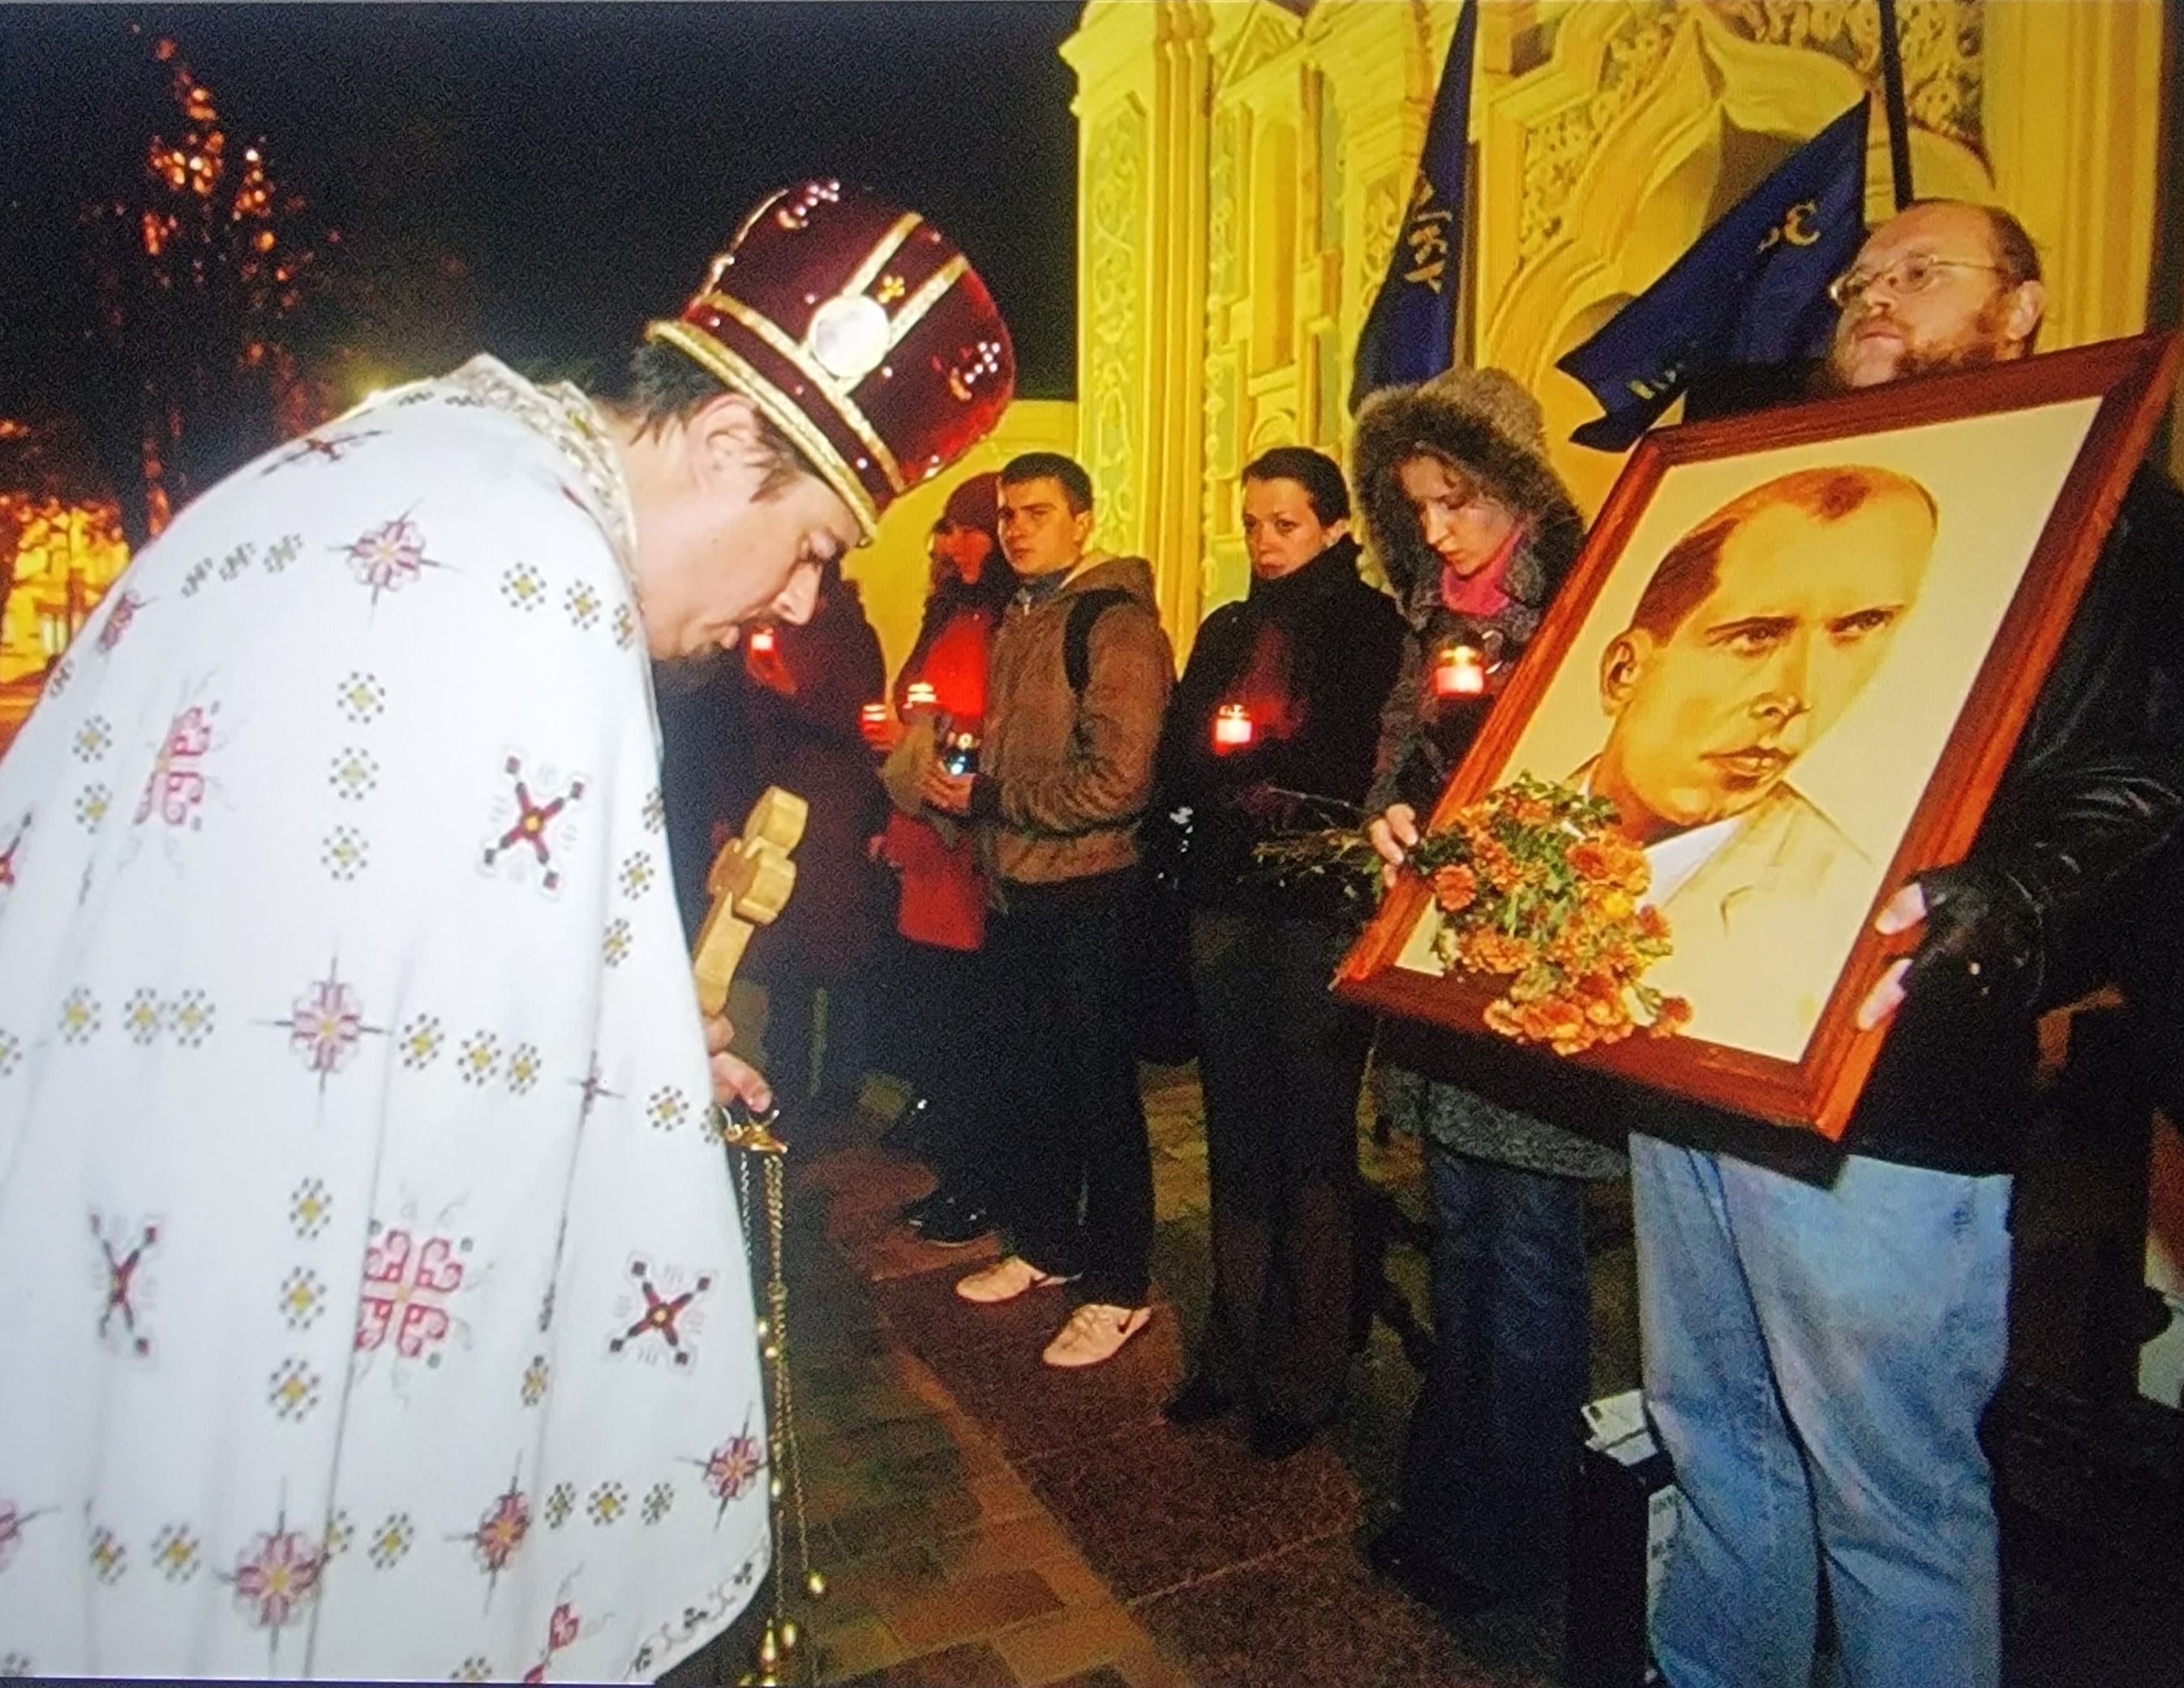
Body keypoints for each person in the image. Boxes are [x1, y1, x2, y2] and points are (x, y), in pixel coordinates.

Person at [0, 181, 1014, 1679]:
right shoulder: (530, 582)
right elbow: (452, 1114)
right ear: (727, 441)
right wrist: (637, 1084)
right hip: (258, 1329)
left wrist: (632, 1035)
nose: (801, 603)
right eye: (808, 544)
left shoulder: (414, 464)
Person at [1628, 198, 2184, 1688]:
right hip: (1695, 1039)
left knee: (1892, 1492)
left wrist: (2004, 899)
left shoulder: (2110, 510)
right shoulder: (1775, 486)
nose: (1871, 296)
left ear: (2021, 308)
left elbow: (2140, 770)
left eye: (1921, 273)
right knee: (1713, 1430)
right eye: (1857, 280)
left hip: (1895, 1067)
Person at [1355, 368, 1628, 1617]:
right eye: (1416, 505)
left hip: (1534, 976)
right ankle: (1452, 1497)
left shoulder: (1584, 600)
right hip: (1442, 971)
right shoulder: (1430, 612)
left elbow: (1605, 772)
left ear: (1516, 487)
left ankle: (1514, 1537)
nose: (1437, 529)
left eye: (1456, 500)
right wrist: (1390, 812)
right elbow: (1392, 747)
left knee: (1527, 1264)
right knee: (1461, 1244)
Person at [1149, 446, 1405, 1456]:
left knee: (1311, 1133)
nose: (1263, 541)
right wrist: (1222, 755)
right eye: (1252, 523)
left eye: (1284, 523)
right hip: (1226, 895)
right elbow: (1178, 750)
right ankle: (1232, 1345)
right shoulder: (1228, 627)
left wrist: (1255, 754)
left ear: (1334, 527)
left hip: (1317, 909)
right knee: (1237, 1127)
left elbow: (1354, 759)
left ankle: (1307, 1365)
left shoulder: (1369, 627)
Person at [920, 452, 1174, 1368]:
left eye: (1037, 512)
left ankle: (1117, 1286)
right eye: (1008, 515)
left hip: (1090, 891)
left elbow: (1119, 778)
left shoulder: (1114, 625)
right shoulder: (1022, 616)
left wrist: (995, 797)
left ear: (1083, 520)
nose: (1017, 529)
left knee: (1100, 1095)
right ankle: (1045, 1244)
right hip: (1018, 885)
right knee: (1034, 1084)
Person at [1583, 464, 1939, 1057]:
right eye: (1755, 635)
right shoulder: (1503, 818)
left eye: (1858, 627)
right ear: (1625, 670)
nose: (1797, 695)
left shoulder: (1844, 901)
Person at [876, 472, 1016, 1245]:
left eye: (970, 528)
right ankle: (953, 1168)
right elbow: (918, 699)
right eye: (951, 528)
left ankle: (975, 1181)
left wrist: (946, 736)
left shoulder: (1003, 623)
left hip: (965, 847)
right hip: (926, 837)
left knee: (970, 1021)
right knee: (936, 1013)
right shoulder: (952, 614)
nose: (955, 543)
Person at [741, 555, 889, 1137]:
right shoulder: (772, 630)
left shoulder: (851, 635)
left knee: (837, 950)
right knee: (786, 954)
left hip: (834, 813)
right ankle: (784, 1080)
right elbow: (748, 730)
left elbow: (858, 720)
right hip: (781, 808)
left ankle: (841, 1083)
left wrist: (791, 691)